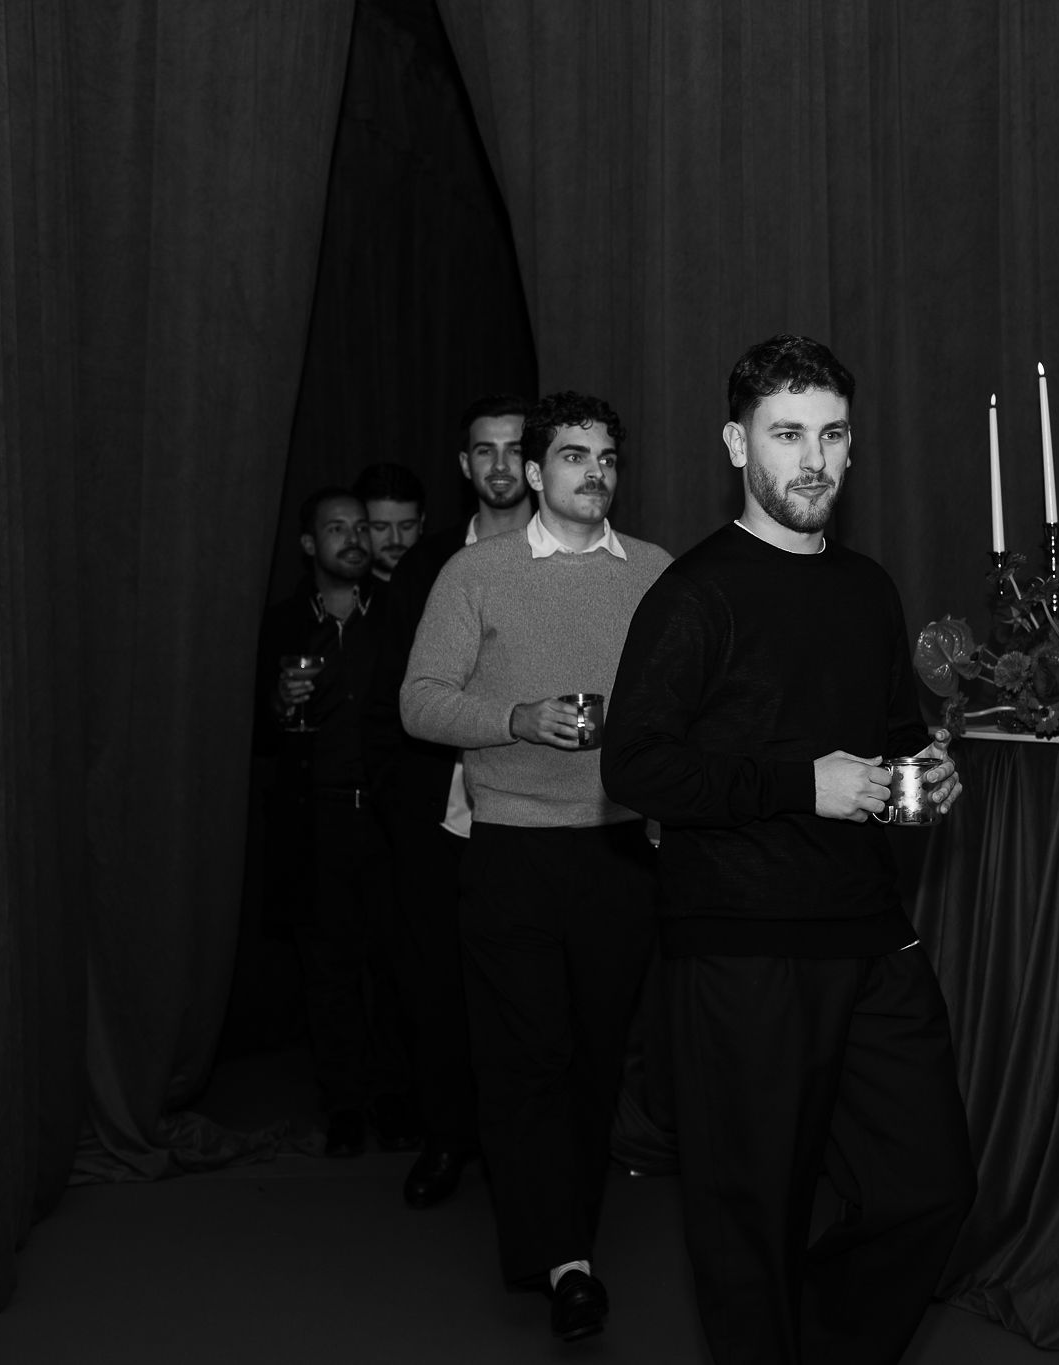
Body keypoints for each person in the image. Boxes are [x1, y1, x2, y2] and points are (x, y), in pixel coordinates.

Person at [602, 334, 975, 1365]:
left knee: (928, 1189)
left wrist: (924, 776)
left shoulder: (865, 587)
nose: (811, 459)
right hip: (739, 948)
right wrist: (798, 784)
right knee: (749, 1225)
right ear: (737, 445)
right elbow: (632, 768)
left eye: (830, 434)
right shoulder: (694, 594)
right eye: (785, 434)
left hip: (867, 939)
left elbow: (891, 735)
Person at [400, 391, 671, 1342]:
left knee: (597, 1053)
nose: (592, 473)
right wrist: (515, 719)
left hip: (617, 853)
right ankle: (563, 1258)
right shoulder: (477, 573)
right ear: (538, 469)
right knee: (528, 1056)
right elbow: (420, 703)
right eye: (572, 456)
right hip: (509, 845)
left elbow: (684, 708)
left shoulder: (655, 574)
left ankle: (568, 1237)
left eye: (606, 457)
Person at [363, 395, 534, 1210]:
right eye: (484, 450)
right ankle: (446, 1137)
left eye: (514, 448)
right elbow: (395, 694)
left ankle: (523, 1150)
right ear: (465, 466)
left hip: (539, 812)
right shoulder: (427, 565)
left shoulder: (565, 555)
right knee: (436, 982)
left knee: (528, 991)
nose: (500, 463)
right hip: (438, 810)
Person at [255, 487, 421, 1159]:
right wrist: (276, 701)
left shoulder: (401, 618)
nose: (354, 538)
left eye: (361, 527)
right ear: (308, 545)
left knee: (395, 968)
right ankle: (344, 1105)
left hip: (388, 824)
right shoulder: (281, 624)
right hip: (318, 824)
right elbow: (260, 734)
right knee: (328, 975)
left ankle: (393, 1099)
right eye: (337, 529)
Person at [352, 462, 428, 583]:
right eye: (380, 527)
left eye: (407, 526)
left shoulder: (445, 584)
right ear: (360, 527)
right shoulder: (341, 594)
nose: (396, 540)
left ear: (421, 523)